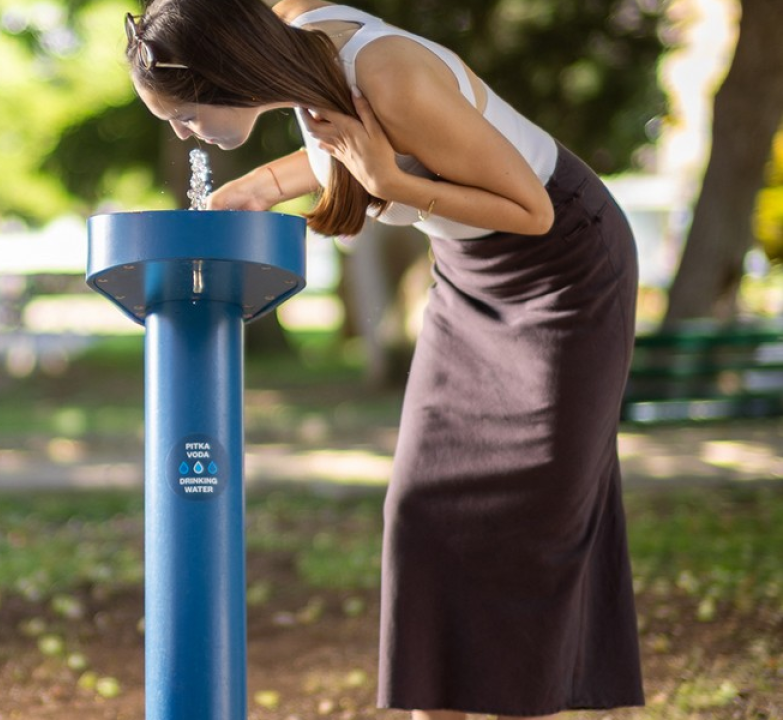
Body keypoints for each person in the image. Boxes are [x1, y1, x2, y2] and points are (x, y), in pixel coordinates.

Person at [123, 0, 645, 718]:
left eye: (183, 116)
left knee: (526, 530)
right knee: (424, 513)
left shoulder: (388, 74)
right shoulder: (295, 40)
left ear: (231, 75)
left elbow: (532, 211)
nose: (185, 135)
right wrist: (261, 188)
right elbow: (340, 143)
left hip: (563, 273)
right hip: (470, 273)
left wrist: (390, 185)